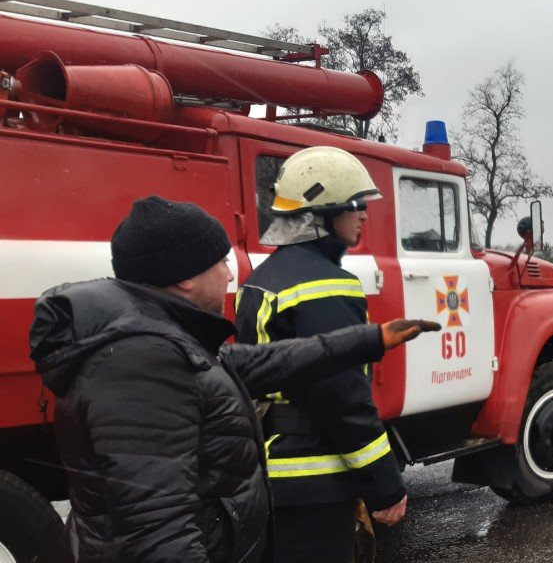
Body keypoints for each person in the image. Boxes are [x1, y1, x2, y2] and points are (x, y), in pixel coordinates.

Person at [27, 196, 437, 562]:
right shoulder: (140, 364)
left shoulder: (162, 341)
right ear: (185, 277)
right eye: (221, 262)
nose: (229, 275)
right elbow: (158, 527)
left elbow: (260, 362)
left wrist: (369, 339)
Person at [234, 146, 404, 563]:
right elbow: (343, 395)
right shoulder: (329, 286)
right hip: (315, 478)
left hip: (269, 471)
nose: (364, 214)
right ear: (323, 213)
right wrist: (385, 485)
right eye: (356, 204)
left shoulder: (262, 279)